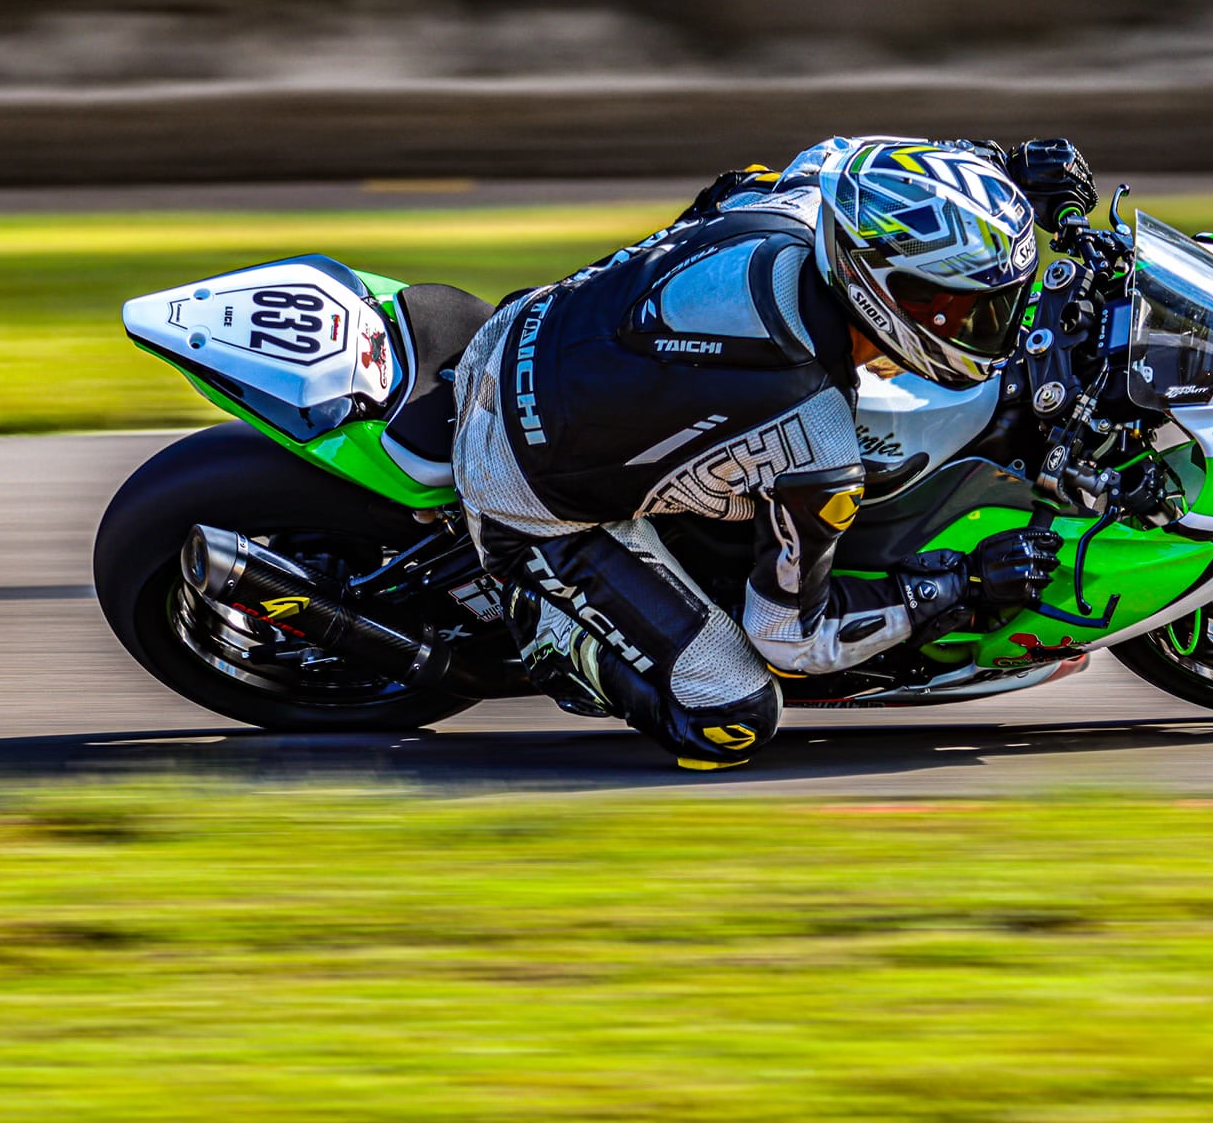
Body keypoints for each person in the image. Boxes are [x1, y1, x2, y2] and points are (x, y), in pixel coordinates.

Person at [449, 135, 1099, 770]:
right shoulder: (816, 437)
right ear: (884, 292)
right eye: (963, 307)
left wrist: (1009, 171)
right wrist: (959, 584)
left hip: (524, 325)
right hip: (518, 485)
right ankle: (551, 626)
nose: (988, 323)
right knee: (735, 714)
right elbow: (791, 640)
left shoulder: (814, 193)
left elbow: (887, 171)